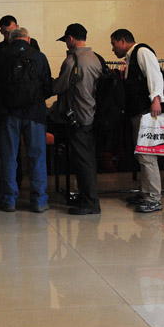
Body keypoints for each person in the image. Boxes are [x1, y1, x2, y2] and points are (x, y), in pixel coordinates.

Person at [0, 27, 53, 213]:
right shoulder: (39, 56)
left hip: (7, 115)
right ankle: (39, 201)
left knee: (8, 157)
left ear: (10, 39)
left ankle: (8, 200)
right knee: (37, 157)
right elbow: (48, 86)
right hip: (35, 114)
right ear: (28, 39)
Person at [110, 28, 164, 213]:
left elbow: (154, 75)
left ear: (123, 41)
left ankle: (154, 198)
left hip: (146, 112)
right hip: (138, 113)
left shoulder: (142, 52)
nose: (113, 48)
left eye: (114, 44)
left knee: (148, 156)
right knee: (142, 155)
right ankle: (146, 193)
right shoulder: (131, 58)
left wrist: (156, 99)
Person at [52, 23, 103, 215]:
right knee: (88, 159)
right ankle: (86, 197)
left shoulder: (72, 60)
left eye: (66, 40)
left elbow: (60, 87)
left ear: (71, 39)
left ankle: (90, 203)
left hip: (77, 117)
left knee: (82, 161)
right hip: (91, 114)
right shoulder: (95, 58)